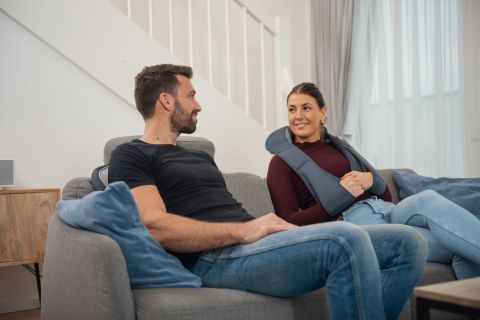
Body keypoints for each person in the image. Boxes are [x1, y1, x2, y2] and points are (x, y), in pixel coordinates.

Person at [108, 64, 427, 320]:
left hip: (258, 245)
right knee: (346, 238)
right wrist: (248, 229)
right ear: (166, 100)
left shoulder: (199, 155)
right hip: (215, 258)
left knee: (407, 242)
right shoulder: (131, 155)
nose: (198, 105)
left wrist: (263, 231)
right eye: (191, 96)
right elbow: (154, 225)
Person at [266, 82, 480, 281]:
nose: (298, 116)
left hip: (388, 210)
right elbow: (288, 222)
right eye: (292, 109)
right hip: (356, 225)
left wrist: (369, 179)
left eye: (306, 108)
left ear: (323, 112)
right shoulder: (281, 162)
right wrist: (344, 195)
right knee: (460, 246)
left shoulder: (338, 146)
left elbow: (385, 194)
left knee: (428, 198)